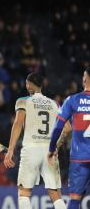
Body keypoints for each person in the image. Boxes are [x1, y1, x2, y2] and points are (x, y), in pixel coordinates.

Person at [4, 72, 71, 209]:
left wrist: (10, 149)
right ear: (42, 85)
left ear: (28, 85)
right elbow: (68, 128)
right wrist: (57, 146)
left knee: (24, 193)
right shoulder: (55, 104)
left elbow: (18, 123)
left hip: (31, 149)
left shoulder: (23, 101)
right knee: (56, 195)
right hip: (49, 151)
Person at [48, 67, 90, 209]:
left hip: (79, 158)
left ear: (84, 79)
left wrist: (52, 147)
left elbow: (58, 127)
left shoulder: (73, 100)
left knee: (74, 198)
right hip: (79, 158)